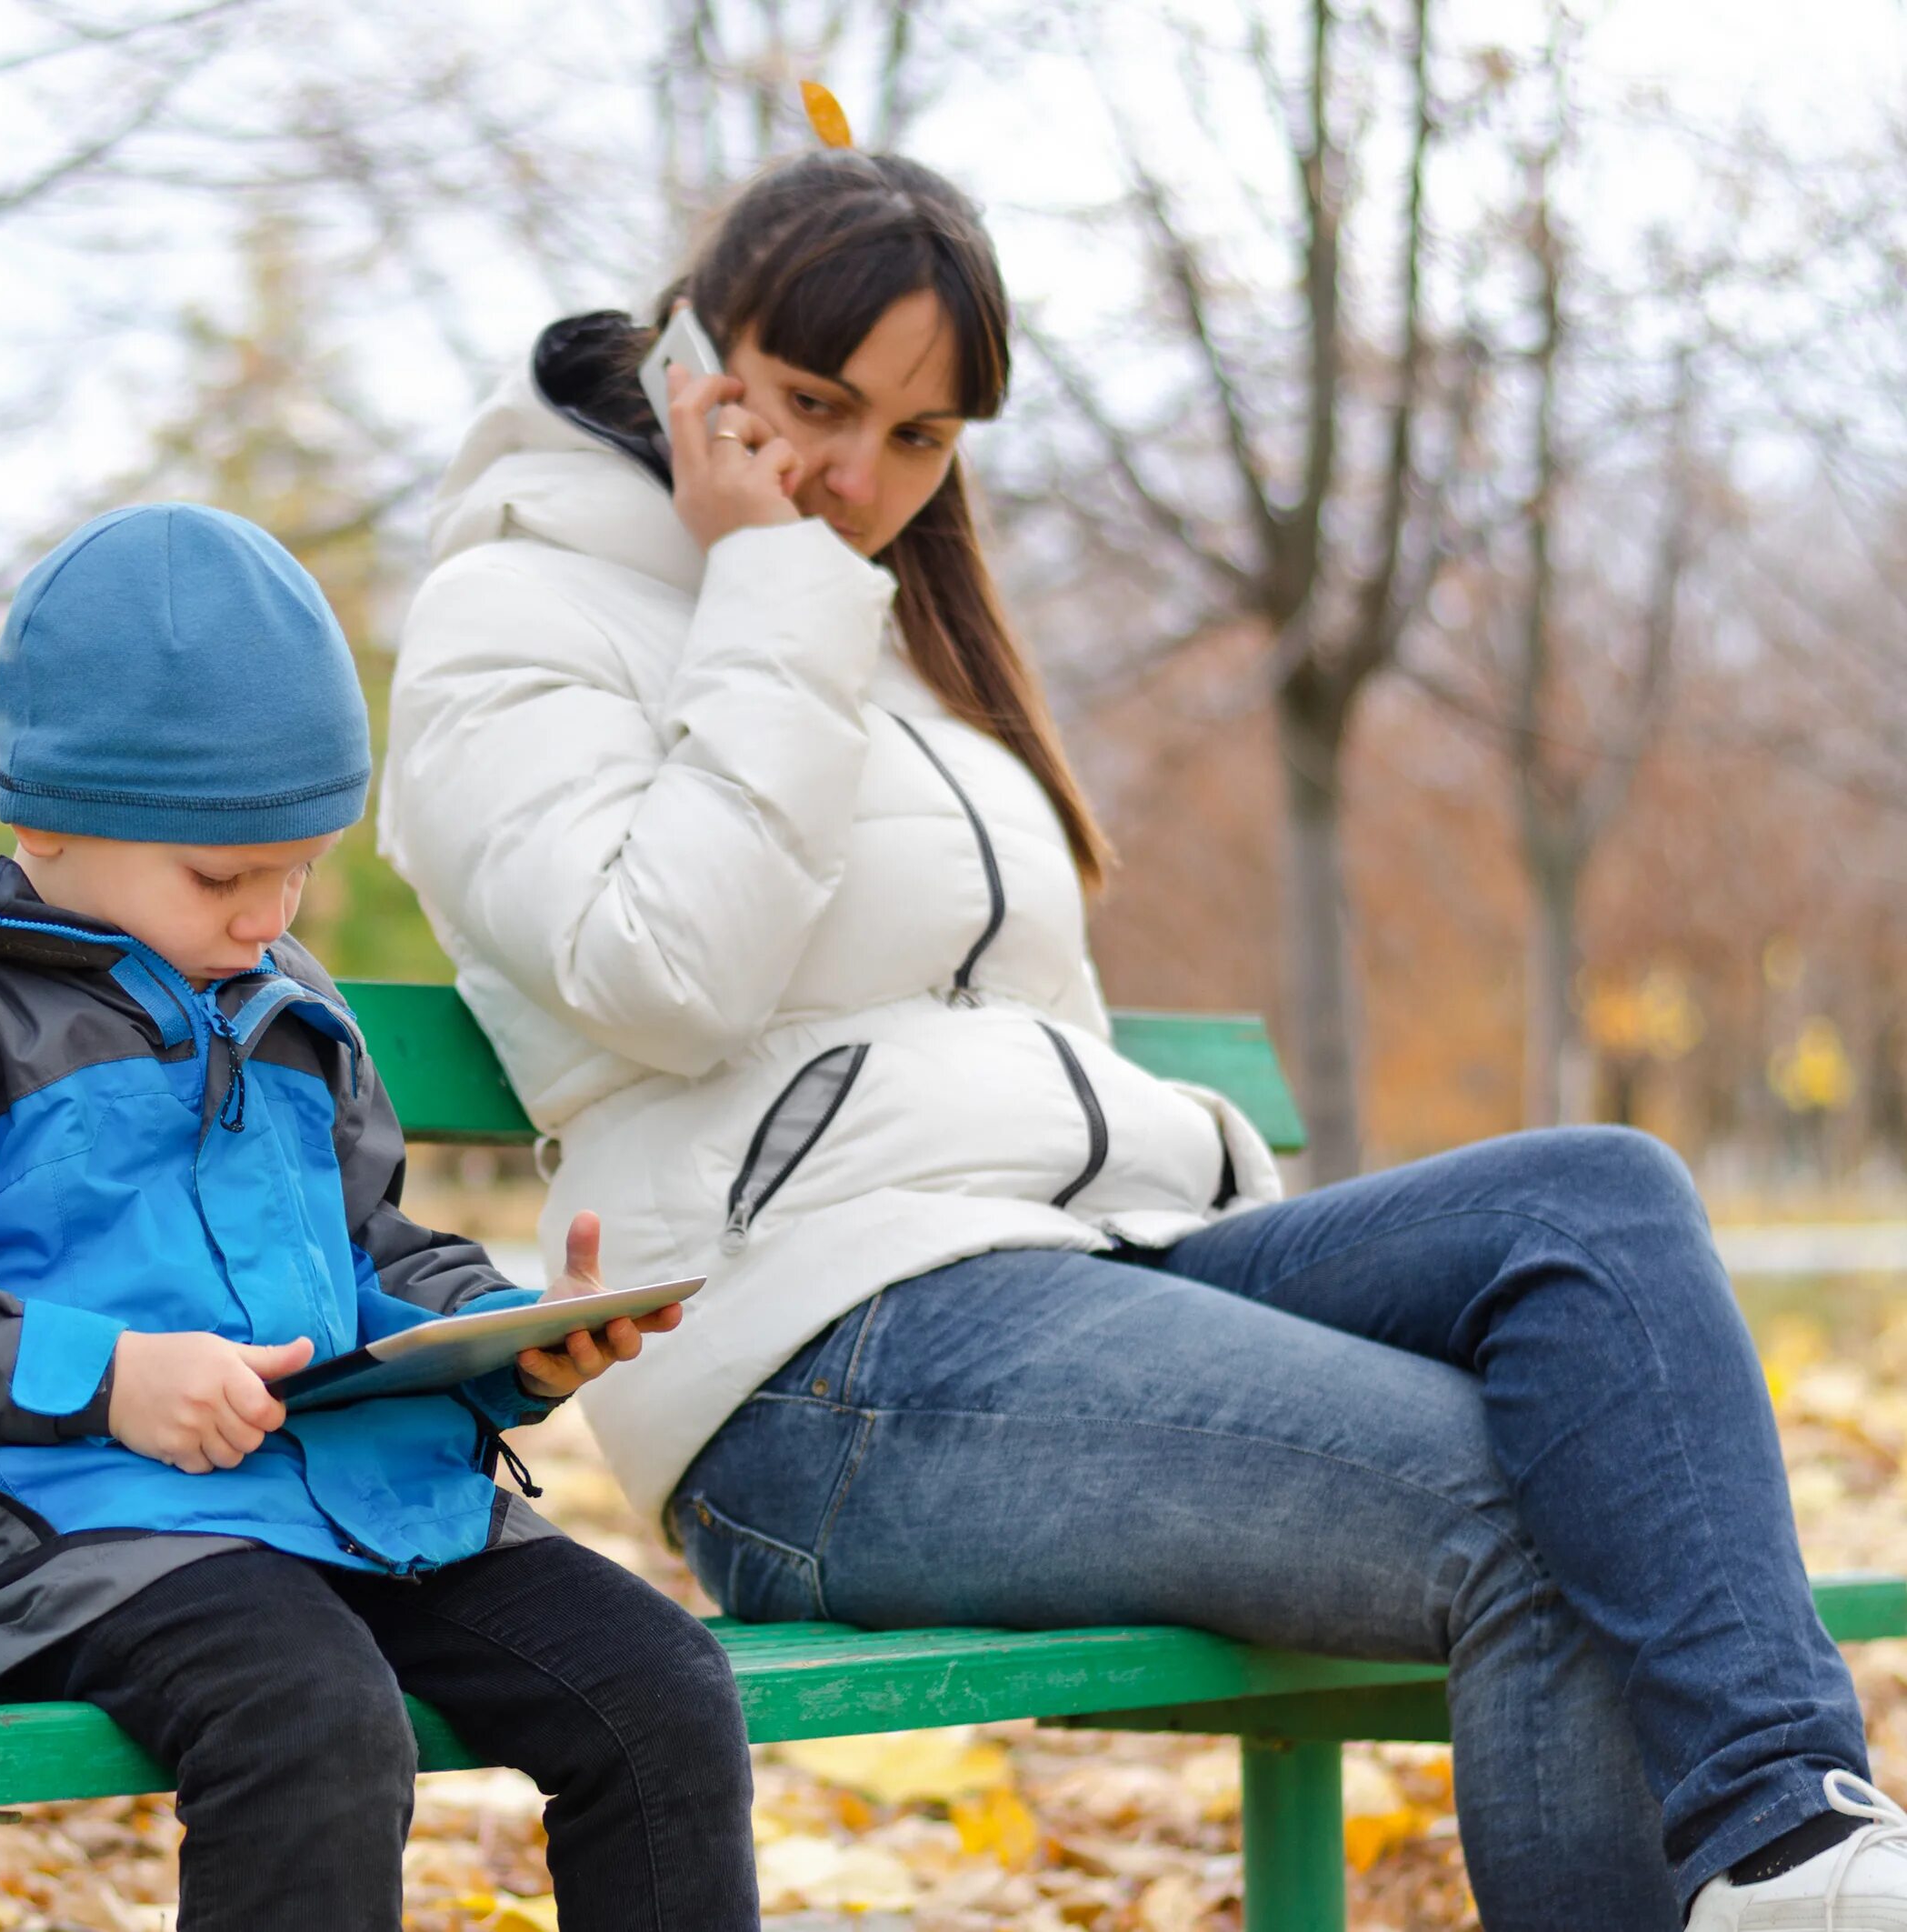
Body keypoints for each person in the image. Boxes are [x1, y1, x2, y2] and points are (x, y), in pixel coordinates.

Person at [379, 147, 1907, 1928]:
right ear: (694, 351)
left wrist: (790, 595)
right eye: (814, 405)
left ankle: (1788, 1838)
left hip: (1089, 1264)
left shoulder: (878, 628)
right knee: (1536, 1506)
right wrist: (768, 597)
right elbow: (663, 975)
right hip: (814, 1360)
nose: (859, 480)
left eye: (924, 439)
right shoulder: (525, 609)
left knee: (1602, 1198)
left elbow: (1004, 1020)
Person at [0, 502, 755, 1932]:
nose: (270, 915)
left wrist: (497, 1335)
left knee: (663, 1687)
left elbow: (361, 1251)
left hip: (328, 1505)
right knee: (314, 1715)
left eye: (300, 866)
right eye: (222, 876)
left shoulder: (281, 1009)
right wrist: (113, 1377)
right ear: (45, 818)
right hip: (47, 1531)